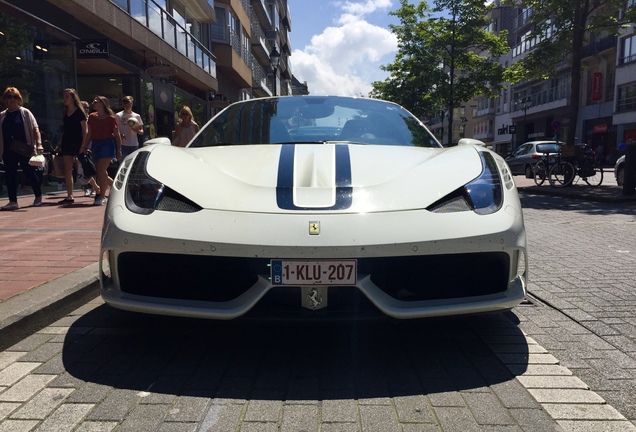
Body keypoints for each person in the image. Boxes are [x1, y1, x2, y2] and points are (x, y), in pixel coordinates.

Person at [0, 87, 43, 210]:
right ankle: (13, 201)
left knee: (29, 172)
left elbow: (35, 128)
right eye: (9, 97)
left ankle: (38, 196)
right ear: (5, 100)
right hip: (8, 149)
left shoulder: (25, 112)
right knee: (10, 175)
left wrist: (39, 143)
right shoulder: (2, 116)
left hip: (24, 148)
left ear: (19, 99)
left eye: (14, 97)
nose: (12, 99)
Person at [80, 95, 122, 206]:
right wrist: (85, 146)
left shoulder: (111, 118)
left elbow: (117, 136)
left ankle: (101, 196)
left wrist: (119, 150)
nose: (93, 103)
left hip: (107, 144)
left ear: (103, 104)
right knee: (100, 171)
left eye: (96, 101)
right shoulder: (92, 117)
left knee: (101, 169)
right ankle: (117, 188)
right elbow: (89, 134)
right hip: (96, 144)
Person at [55, 88, 87, 205]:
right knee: (67, 169)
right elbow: (65, 130)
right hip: (67, 142)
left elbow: (85, 131)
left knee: (83, 169)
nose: (65, 99)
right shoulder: (65, 112)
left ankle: (96, 187)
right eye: (64, 97)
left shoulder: (79, 112)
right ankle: (70, 195)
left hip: (78, 142)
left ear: (73, 98)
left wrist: (83, 145)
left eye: (67, 97)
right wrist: (59, 144)